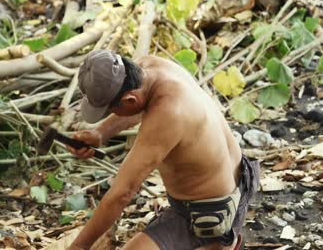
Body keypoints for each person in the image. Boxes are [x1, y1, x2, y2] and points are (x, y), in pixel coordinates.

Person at [65, 50, 260, 250]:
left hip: (208, 213)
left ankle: (217, 242)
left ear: (129, 101)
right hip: (241, 177)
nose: (110, 115)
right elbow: (139, 106)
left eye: (111, 110)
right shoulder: (150, 67)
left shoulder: (168, 114)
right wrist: (101, 133)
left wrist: (79, 246)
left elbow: (122, 193)